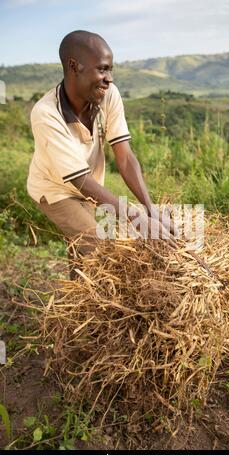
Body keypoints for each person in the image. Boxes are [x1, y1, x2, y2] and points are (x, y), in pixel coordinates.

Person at [27, 30, 176, 278]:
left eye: (110, 70)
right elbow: (79, 180)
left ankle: (76, 307)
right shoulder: (46, 114)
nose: (109, 79)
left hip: (89, 185)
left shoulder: (108, 95)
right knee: (102, 245)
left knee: (83, 249)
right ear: (74, 66)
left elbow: (125, 157)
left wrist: (150, 210)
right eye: (102, 69)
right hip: (55, 190)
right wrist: (137, 219)